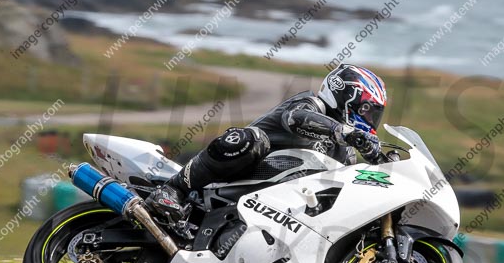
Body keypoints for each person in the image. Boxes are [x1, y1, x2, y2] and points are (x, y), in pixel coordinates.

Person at [147, 64, 388, 221]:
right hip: (238, 174)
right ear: (345, 95)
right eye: (366, 109)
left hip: (279, 208)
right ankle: (173, 189)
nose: (368, 118)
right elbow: (296, 119)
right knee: (250, 139)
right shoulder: (311, 105)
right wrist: (342, 130)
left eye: (373, 113)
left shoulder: (345, 153)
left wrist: (385, 163)